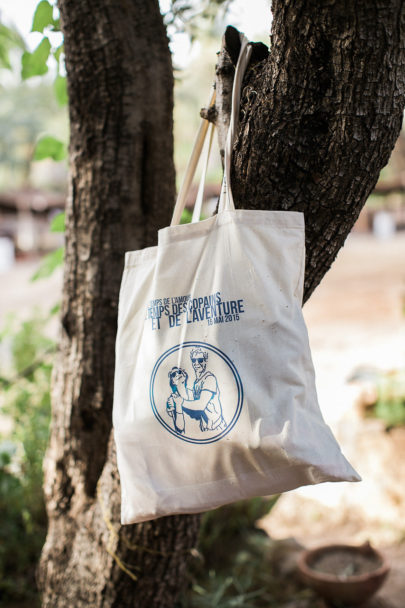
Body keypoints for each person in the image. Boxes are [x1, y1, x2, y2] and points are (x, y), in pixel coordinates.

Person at [170, 348, 227, 433]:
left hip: (218, 429)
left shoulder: (209, 378)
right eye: (194, 360)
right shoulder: (197, 382)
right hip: (207, 429)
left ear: (206, 361)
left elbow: (200, 405)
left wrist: (180, 402)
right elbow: (189, 397)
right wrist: (180, 383)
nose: (196, 363)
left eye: (200, 360)